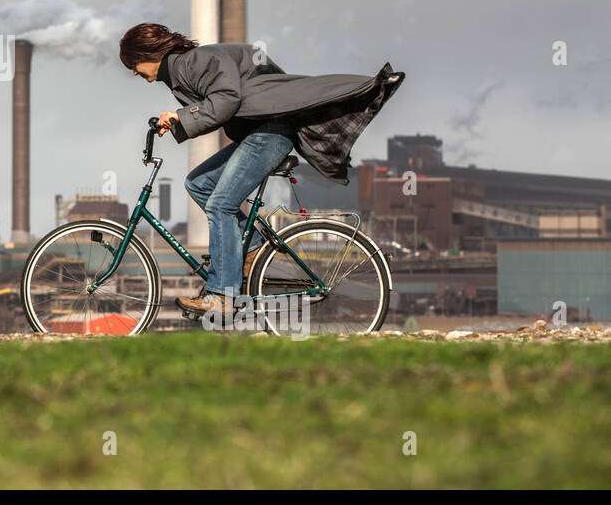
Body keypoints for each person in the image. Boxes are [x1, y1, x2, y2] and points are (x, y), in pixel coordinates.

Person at [118, 22, 404, 319]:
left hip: (269, 133)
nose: (135, 73)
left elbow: (225, 100)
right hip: (257, 133)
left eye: (134, 65)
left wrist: (180, 116)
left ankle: (223, 296)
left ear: (148, 52)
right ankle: (252, 252)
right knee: (199, 183)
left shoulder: (195, 61)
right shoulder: (180, 71)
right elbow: (218, 106)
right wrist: (179, 120)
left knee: (221, 204)